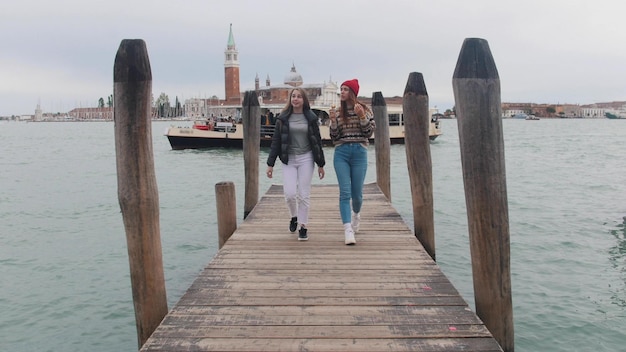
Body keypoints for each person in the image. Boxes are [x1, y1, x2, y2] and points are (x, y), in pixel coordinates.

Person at [266, 88, 326, 241]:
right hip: (289, 159)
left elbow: (317, 141)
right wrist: (270, 164)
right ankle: (294, 216)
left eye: (299, 96)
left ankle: (303, 226)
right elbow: (276, 142)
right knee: (290, 194)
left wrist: (321, 164)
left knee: (304, 195)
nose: (296, 99)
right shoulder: (283, 118)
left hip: (306, 158)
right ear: (290, 99)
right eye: (293, 96)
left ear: (304, 100)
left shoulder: (311, 118)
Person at [329, 79, 375, 245]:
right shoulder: (339, 112)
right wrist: (333, 122)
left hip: (359, 152)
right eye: (341, 89)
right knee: (345, 193)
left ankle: (356, 214)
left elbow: (369, 132)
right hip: (341, 152)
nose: (341, 92)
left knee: (357, 195)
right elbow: (334, 137)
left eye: (345, 89)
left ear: (353, 92)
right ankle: (347, 229)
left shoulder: (365, 109)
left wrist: (362, 116)